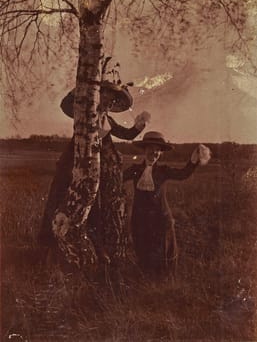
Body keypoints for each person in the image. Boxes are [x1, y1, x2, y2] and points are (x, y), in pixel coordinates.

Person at [38, 80, 150, 273]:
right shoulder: (84, 111)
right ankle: (49, 250)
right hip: (73, 165)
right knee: (60, 200)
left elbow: (127, 134)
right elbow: (65, 105)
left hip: (97, 171)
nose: (109, 102)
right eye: (106, 96)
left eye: (113, 99)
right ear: (98, 95)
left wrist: (139, 126)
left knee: (93, 207)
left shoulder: (109, 120)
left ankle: (96, 250)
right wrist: (81, 88)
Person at [123, 131, 211, 280]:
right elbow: (115, 179)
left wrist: (194, 160)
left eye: (157, 150)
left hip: (160, 221)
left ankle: (164, 291)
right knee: (143, 256)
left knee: (164, 258)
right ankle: (146, 291)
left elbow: (183, 174)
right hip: (140, 221)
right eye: (150, 149)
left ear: (161, 153)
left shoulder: (163, 171)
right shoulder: (134, 170)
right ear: (144, 150)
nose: (154, 153)